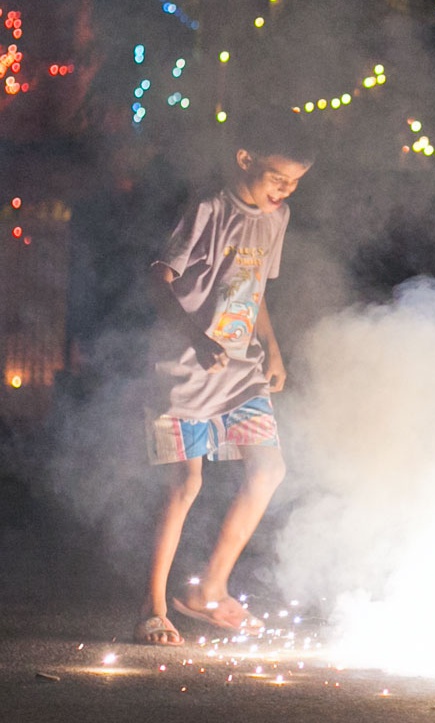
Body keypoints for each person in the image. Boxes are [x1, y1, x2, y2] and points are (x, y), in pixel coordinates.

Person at [134, 108, 315, 646]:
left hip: (241, 372)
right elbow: (157, 278)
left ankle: (209, 589)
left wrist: (274, 352)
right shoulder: (210, 209)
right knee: (186, 483)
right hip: (184, 368)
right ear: (244, 160)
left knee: (268, 469)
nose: (285, 191)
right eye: (277, 178)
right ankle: (153, 607)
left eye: (295, 183)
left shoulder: (275, 218)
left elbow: (254, 290)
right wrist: (195, 337)